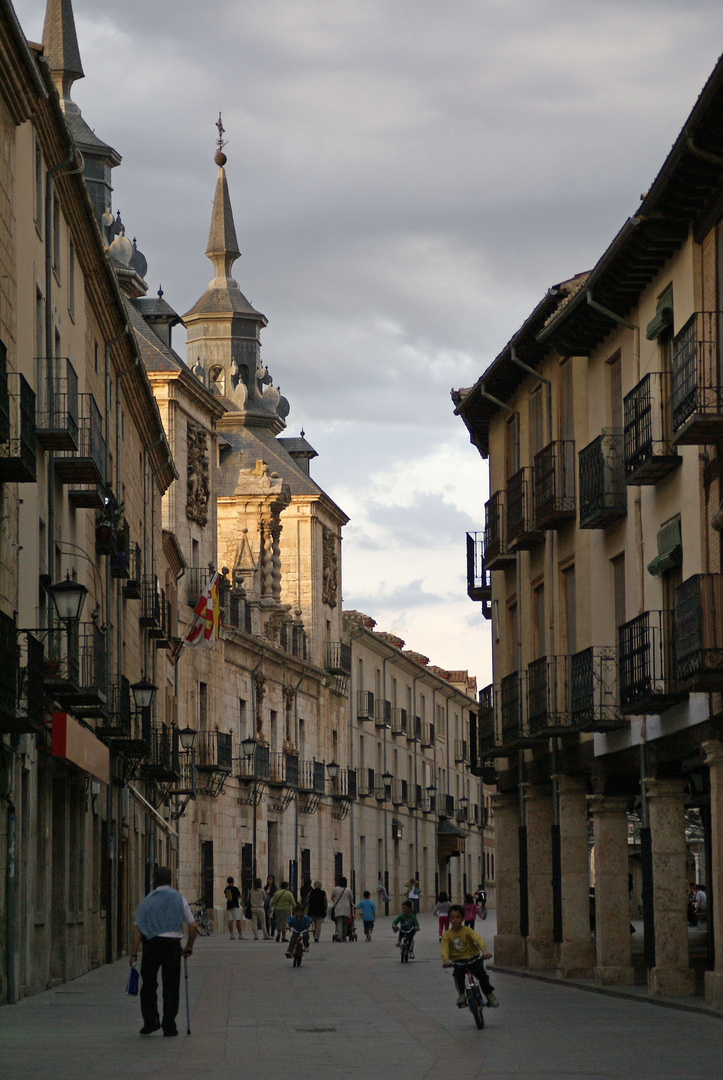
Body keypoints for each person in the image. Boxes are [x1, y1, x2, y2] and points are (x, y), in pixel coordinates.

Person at [129, 866, 197, 1037]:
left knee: (149, 985)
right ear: (171, 879)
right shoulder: (179, 899)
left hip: (151, 945)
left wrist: (134, 953)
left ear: (154, 880)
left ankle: (151, 1021)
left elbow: (137, 929)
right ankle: (169, 1025)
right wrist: (189, 946)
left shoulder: (147, 901)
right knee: (171, 986)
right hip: (172, 946)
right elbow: (193, 925)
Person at [441, 904, 498, 1009]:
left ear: (463, 918)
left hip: (473, 958)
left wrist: (484, 951)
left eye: (458, 917)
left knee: (482, 976)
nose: (455, 920)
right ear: (449, 919)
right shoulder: (447, 935)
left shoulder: (467, 931)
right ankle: (461, 995)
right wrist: (446, 960)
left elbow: (478, 939)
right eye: (452, 918)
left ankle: (489, 994)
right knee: (458, 975)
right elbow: (444, 948)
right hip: (458, 960)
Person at [330, 876, 354, 942]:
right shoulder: (348, 890)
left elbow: (332, 897)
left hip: (338, 907)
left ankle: (339, 936)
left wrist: (335, 901)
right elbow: (351, 899)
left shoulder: (335, 889)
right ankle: (344, 937)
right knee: (345, 923)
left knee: (339, 922)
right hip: (346, 908)